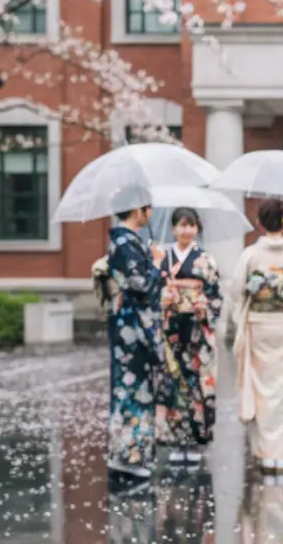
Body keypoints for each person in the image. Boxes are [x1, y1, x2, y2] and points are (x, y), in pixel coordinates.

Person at [227, 199, 283, 473]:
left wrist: (246, 307)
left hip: (258, 325)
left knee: (261, 388)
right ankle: (282, 454)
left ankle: (266, 452)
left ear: (261, 224)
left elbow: (236, 290)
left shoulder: (251, 254)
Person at [92, 189, 166, 482]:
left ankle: (130, 453)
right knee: (134, 391)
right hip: (134, 327)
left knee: (133, 389)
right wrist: (158, 263)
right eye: (149, 208)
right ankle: (128, 456)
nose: (151, 214)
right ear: (139, 211)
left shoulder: (125, 242)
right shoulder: (126, 243)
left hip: (131, 325)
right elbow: (143, 287)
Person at [155, 207, 222, 465]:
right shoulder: (163, 259)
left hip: (197, 331)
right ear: (173, 229)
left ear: (197, 229)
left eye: (191, 225)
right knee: (173, 383)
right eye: (181, 225)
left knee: (197, 382)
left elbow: (216, 294)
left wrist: (205, 304)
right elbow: (154, 289)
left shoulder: (205, 259)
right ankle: (175, 439)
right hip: (172, 330)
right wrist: (165, 296)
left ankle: (195, 441)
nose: (186, 230)